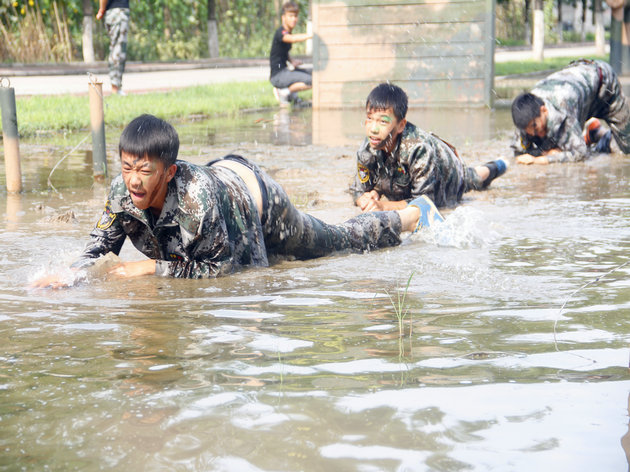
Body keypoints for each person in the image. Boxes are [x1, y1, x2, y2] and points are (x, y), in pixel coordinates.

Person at [32, 114, 443, 287]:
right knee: (282, 263)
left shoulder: (197, 199)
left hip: (256, 198)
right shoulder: (122, 192)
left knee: (329, 243)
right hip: (227, 202)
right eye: (126, 167)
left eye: (145, 171)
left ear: (168, 170)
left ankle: (410, 216)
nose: (133, 182)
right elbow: (98, 247)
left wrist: (149, 269)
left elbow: (221, 268)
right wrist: (71, 276)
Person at [354, 83, 508, 212]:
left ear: (401, 125)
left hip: (449, 177)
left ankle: (499, 165)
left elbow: (425, 203)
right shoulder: (368, 148)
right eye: (369, 118)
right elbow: (358, 190)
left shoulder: (418, 148)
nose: (373, 129)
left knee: (473, 178)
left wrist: (382, 206)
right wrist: (366, 198)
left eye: (383, 122)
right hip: (407, 181)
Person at [510, 59, 630, 165]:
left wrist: (547, 159)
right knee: (553, 141)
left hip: (604, 84)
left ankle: (601, 135)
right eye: (531, 133)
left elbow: (580, 153)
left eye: (536, 127)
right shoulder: (525, 117)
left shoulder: (563, 108)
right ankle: (591, 133)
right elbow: (519, 152)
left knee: (625, 150)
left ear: (544, 110)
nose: (537, 134)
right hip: (580, 95)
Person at [269, 1, 313, 106]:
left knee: (314, 73)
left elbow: (283, 52)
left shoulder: (287, 31)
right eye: (290, 16)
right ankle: (284, 93)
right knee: (312, 80)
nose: (294, 19)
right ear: (283, 17)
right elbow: (292, 39)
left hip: (285, 71)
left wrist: (292, 61)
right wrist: (311, 35)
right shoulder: (281, 32)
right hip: (278, 76)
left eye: (296, 16)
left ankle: (292, 95)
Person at [96, 0, 130, 95]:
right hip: (118, 13)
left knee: (116, 48)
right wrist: (101, 9)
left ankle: (116, 86)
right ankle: (115, 87)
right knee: (118, 50)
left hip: (115, 12)